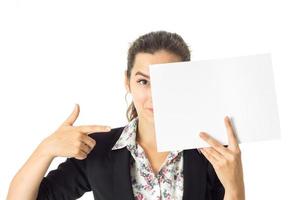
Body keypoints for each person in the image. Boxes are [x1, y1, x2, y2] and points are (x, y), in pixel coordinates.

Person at [7, 31, 245, 200]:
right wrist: (45, 149)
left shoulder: (211, 151)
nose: (154, 96)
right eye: (143, 81)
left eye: (168, 81)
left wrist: (235, 187)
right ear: (127, 82)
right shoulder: (98, 149)